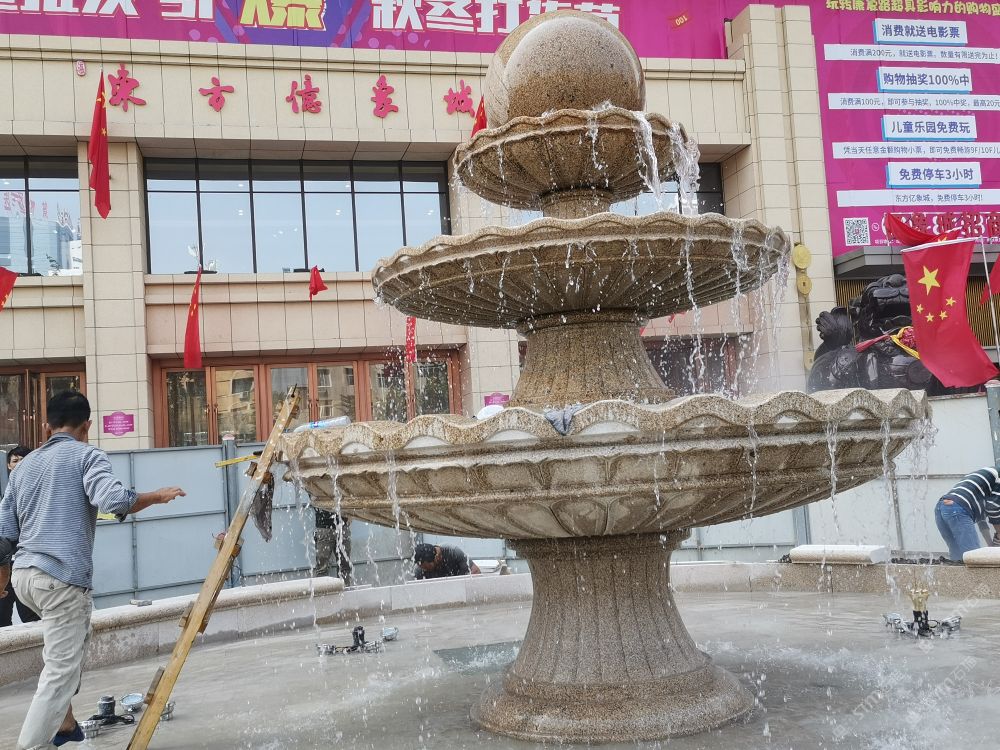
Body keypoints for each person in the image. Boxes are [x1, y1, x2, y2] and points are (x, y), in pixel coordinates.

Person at [0, 391, 186, 749]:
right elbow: (113, 500)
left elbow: (4, 533)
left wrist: (3, 578)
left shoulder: (23, 466)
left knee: (66, 653)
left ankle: (66, 727)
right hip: (60, 578)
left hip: (24, 577)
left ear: (47, 426)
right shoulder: (87, 456)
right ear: (87, 426)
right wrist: (156, 496)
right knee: (60, 672)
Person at [1, 446, 41, 628]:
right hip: (5, 563)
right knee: (2, 618)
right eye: (15, 460)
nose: (19, 464)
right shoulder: (6, 494)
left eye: (23, 459)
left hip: (28, 564)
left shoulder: (39, 492)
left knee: (31, 618)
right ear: (8, 465)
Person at [935, 465, 1000, 563]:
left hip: (941, 507)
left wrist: (990, 545)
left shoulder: (986, 479)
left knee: (957, 556)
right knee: (974, 558)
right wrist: (999, 533)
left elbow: (981, 521)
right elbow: (993, 507)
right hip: (957, 508)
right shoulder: (997, 477)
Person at [312, 507, 353, 586]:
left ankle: (344, 589)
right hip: (324, 528)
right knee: (323, 568)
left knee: (344, 566)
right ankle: (323, 591)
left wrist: (350, 515)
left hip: (339, 528)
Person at [413, 542, 481, 580]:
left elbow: (476, 571)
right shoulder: (419, 569)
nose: (424, 570)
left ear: (436, 558)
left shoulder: (453, 552)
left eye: (426, 567)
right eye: (422, 567)